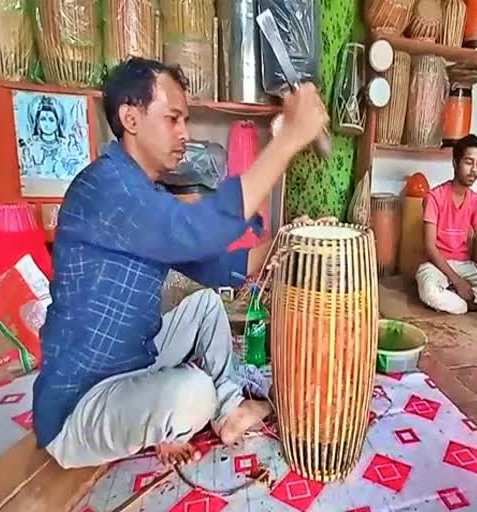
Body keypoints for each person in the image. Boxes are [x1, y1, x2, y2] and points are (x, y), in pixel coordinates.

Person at [32, 57, 328, 469]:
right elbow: (195, 230)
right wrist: (287, 140)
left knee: (206, 306)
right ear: (130, 118)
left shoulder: (139, 190)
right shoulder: (105, 187)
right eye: (173, 119)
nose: (184, 134)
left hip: (134, 359)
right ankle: (194, 405)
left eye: (184, 120)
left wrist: (284, 243)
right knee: (192, 391)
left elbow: (210, 265)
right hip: (80, 402)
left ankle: (229, 410)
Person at [416, 134, 477, 315]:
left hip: (464, 265)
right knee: (430, 290)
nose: (474, 170)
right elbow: (429, 247)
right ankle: (466, 304)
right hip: (436, 265)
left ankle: (458, 301)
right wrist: (457, 282)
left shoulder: (475, 201)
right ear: (455, 162)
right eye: (468, 162)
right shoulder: (434, 197)